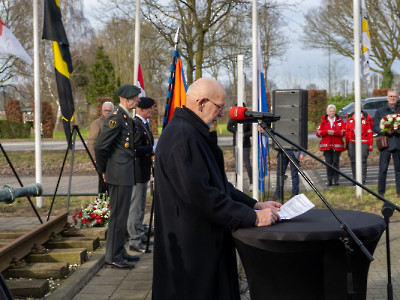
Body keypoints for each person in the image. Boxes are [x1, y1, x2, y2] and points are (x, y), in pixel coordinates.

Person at [152, 77, 282, 300]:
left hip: (203, 244)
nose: (223, 114)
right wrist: (253, 217)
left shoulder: (192, 132)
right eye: (219, 107)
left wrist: (254, 204)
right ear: (201, 103)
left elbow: (219, 186)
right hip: (194, 251)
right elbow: (204, 196)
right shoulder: (183, 138)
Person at [94, 84, 141, 269]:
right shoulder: (116, 118)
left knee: (122, 215)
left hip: (124, 173)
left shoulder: (124, 117)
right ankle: (112, 256)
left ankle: (119, 250)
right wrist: (104, 170)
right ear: (127, 99)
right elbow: (100, 147)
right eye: (136, 98)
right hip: (118, 174)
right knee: (118, 216)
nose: (138, 100)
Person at [128, 97, 155, 253]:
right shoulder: (136, 125)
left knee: (141, 206)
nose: (152, 111)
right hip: (136, 172)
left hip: (142, 172)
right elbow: (134, 149)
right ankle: (134, 239)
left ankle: (139, 234)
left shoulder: (143, 124)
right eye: (150, 108)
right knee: (136, 207)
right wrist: (152, 149)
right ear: (142, 110)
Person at [372, 89, 400, 197]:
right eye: (391, 96)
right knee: (383, 169)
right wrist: (384, 130)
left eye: (395, 96)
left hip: (398, 142)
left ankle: (399, 192)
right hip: (385, 143)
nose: (393, 98)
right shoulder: (380, 111)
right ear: (387, 97)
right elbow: (374, 126)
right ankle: (381, 192)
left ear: (397, 98)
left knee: (399, 169)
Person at [88, 101, 114, 194]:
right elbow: (91, 142)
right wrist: (94, 158)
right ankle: (102, 205)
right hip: (101, 158)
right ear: (102, 111)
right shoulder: (97, 124)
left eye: (110, 111)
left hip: (113, 159)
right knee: (103, 184)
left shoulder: (114, 122)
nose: (107, 112)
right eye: (105, 110)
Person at [316, 104, 345, 186]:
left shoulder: (340, 121)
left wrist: (335, 132)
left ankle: (336, 180)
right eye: (330, 111)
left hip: (337, 146)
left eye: (333, 111)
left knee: (336, 163)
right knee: (328, 163)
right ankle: (329, 180)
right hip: (326, 146)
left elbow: (344, 132)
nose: (332, 113)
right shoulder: (323, 122)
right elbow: (318, 133)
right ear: (327, 112)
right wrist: (327, 132)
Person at [345, 103, 373, 185]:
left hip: (363, 141)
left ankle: (362, 179)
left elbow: (369, 131)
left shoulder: (366, 117)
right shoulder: (350, 117)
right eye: (354, 107)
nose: (355, 108)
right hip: (352, 141)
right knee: (353, 160)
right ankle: (355, 179)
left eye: (357, 107)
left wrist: (370, 144)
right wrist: (347, 143)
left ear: (361, 108)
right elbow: (347, 130)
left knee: (363, 160)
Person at [227, 106, 253, 191]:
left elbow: (252, 131)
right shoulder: (234, 117)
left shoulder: (248, 118)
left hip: (245, 144)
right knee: (237, 164)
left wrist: (244, 135)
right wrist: (237, 132)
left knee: (247, 164)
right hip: (237, 143)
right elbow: (229, 127)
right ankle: (237, 183)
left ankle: (251, 183)